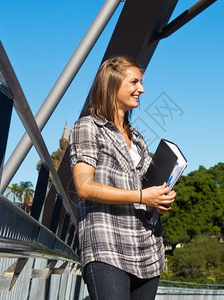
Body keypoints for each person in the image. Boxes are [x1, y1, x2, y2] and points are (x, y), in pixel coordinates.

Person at [69, 56, 176, 300]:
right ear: (112, 84)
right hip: (107, 245)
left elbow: (147, 188)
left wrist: (159, 197)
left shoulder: (137, 138)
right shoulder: (88, 127)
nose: (142, 89)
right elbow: (84, 187)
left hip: (147, 249)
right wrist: (141, 196)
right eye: (134, 82)